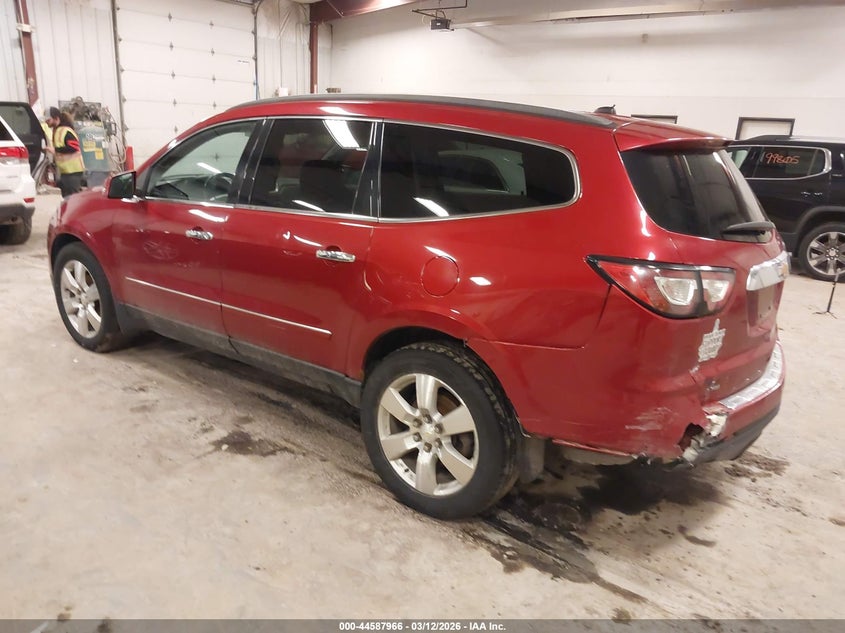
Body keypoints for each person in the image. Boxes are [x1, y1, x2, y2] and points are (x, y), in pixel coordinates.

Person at [46, 106, 85, 197]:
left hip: (73, 171)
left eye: (48, 120)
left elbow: (74, 147)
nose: (47, 122)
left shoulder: (65, 131)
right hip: (66, 171)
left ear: (56, 118)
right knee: (67, 197)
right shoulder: (58, 130)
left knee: (73, 198)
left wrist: (55, 150)